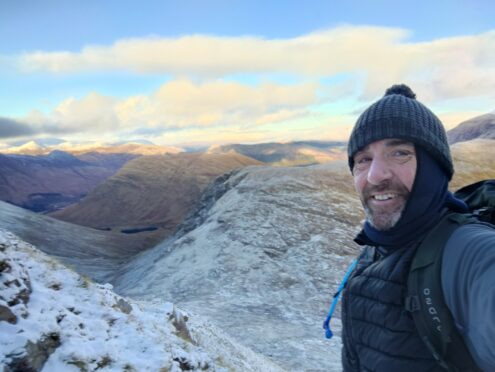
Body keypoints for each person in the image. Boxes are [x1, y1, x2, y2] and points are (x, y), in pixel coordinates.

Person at [341, 84, 495, 371]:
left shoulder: (472, 252)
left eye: (399, 153)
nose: (375, 176)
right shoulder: (375, 247)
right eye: (363, 160)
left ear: (433, 168)